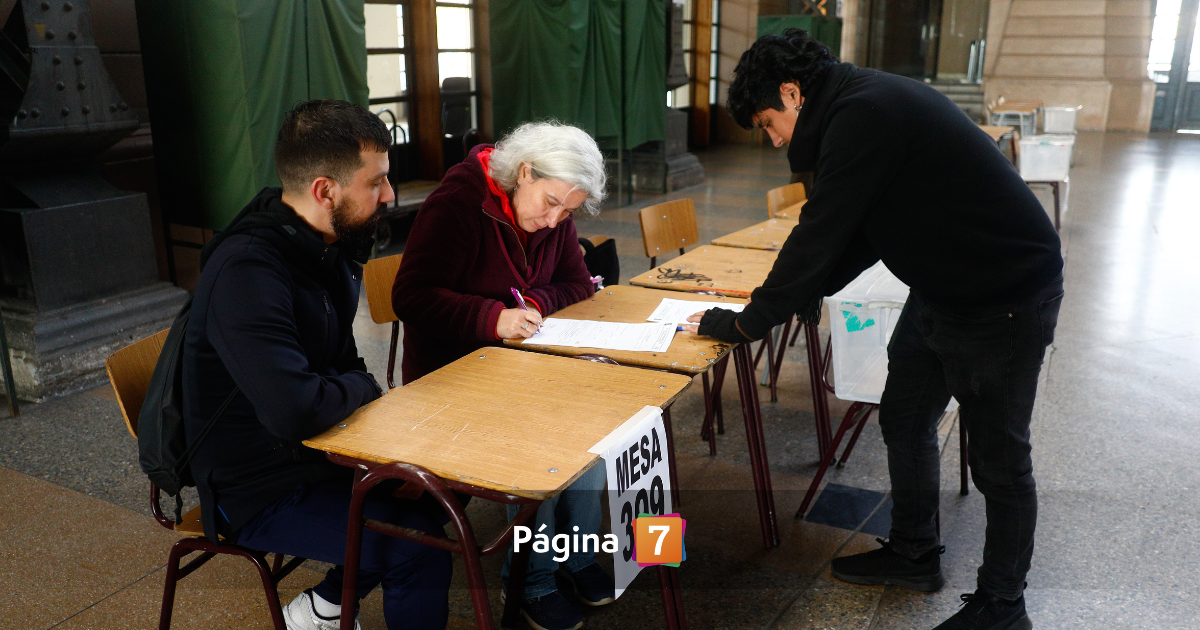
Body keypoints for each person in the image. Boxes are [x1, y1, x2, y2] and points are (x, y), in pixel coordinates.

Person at [687, 30, 1063, 630]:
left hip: (1003, 296)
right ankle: (914, 554)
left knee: (1000, 463)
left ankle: (1003, 607)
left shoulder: (863, 112)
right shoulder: (853, 106)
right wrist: (803, 293)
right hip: (943, 288)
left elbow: (821, 229)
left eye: (767, 122)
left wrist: (751, 321)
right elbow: (860, 232)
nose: (772, 137)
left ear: (792, 92)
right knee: (906, 417)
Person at [183, 99, 453, 630]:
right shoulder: (248, 271)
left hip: (315, 454)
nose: (391, 196)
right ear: (324, 190)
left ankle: (324, 607)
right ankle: (330, 606)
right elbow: (298, 411)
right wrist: (356, 387)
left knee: (441, 498)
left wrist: (352, 389)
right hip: (254, 489)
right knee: (418, 548)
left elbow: (343, 368)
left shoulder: (329, 249)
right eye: (375, 183)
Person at [392, 121, 611, 630]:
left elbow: (578, 281)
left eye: (569, 211)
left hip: (516, 366)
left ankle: (575, 558)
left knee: (595, 432)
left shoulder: (553, 209)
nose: (556, 220)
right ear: (525, 172)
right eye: (551, 202)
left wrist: (533, 302)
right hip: (452, 376)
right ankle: (532, 580)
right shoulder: (458, 202)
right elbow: (412, 296)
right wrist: (490, 317)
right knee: (547, 445)